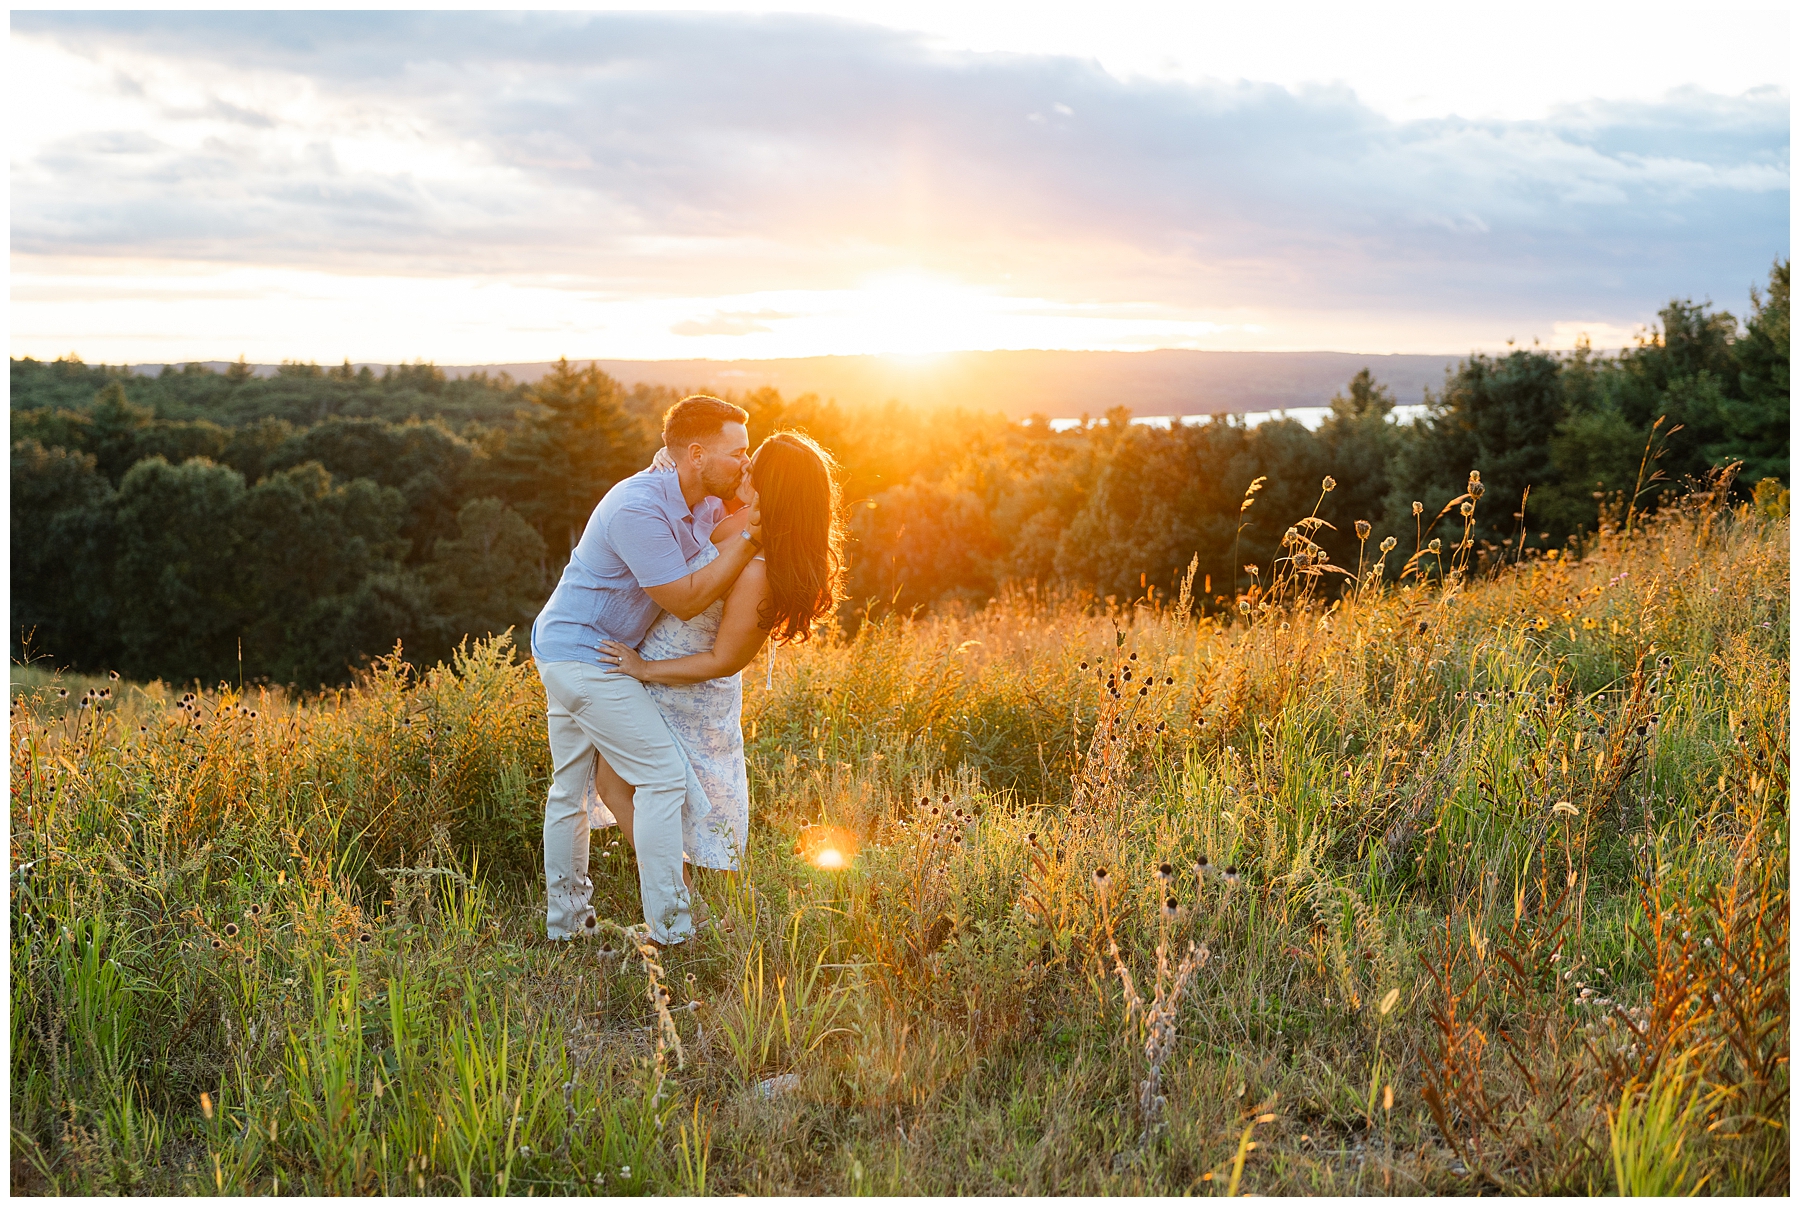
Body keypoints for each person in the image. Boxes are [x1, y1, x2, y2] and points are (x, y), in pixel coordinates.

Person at [530, 395, 760, 946]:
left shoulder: (701, 499)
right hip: (585, 655)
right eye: (739, 454)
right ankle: (674, 930)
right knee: (661, 777)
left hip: (585, 649)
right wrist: (756, 533)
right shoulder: (639, 507)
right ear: (698, 455)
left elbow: (727, 533)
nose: (746, 465)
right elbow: (682, 599)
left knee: (570, 789)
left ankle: (567, 927)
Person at [596, 431, 845, 906]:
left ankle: (691, 911)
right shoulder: (741, 520)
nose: (745, 466)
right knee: (624, 788)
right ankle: (683, 905)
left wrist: (645, 669)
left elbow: (725, 660)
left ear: (777, 488)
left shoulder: (760, 571)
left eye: (757, 466)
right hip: (654, 676)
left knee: (675, 805)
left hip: (684, 691)